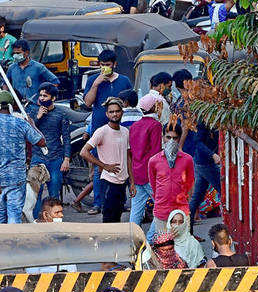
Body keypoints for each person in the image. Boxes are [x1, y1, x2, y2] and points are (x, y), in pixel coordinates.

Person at [0, 91, 45, 224]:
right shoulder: (21, 123)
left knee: (0, 213)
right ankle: (13, 242)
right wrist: (33, 124)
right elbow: (41, 142)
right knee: (14, 215)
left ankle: (0, 242)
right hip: (16, 178)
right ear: (12, 105)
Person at [83, 49, 133, 216]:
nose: (105, 68)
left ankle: (121, 201)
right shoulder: (93, 80)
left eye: (108, 65)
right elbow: (88, 103)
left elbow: (129, 102)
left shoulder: (124, 81)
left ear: (114, 65)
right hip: (100, 130)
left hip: (119, 129)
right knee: (99, 167)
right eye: (102, 65)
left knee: (122, 164)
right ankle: (99, 203)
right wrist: (97, 83)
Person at [81, 97, 134, 223]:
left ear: (122, 112)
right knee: (108, 219)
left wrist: (132, 182)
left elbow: (128, 157)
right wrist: (104, 165)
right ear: (107, 114)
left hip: (122, 182)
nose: (114, 114)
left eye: (117, 111)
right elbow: (84, 152)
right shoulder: (102, 131)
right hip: (108, 181)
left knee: (117, 217)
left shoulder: (125, 132)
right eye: (111, 112)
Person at [26, 83, 70, 208]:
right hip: (38, 158)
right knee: (35, 194)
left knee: (54, 194)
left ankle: (54, 222)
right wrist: (38, 117)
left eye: (45, 96)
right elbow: (29, 134)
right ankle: (36, 223)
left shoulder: (61, 114)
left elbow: (66, 138)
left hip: (55, 159)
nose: (42, 98)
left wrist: (66, 159)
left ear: (53, 98)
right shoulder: (33, 113)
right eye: (40, 95)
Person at [148, 122, 194, 238]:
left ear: (179, 139)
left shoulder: (187, 160)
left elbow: (190, 183)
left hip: (181, 210)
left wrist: (184, 200)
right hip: (161, 210)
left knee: (183, 247)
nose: (171, 141)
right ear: (163, 137)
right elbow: (154, 185)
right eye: (168, 137)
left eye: (175, 138)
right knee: (164, 247)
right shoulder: (154, 161)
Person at [128, 93, 162, 226]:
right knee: (162, 208)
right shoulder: (155, 125)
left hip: (137, 172)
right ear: (153, 107)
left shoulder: (135, 125)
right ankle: (152, 238)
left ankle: (133, 238)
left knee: (136, 209)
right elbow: (156, 152)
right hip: (150, 173)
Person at [188, 123, 220, 237]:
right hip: (206, 162)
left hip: (201, 161)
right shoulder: (204, 120)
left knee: (196, 197)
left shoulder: (207, 118)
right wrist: (212, 155)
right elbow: (198, 142)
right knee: (224, 194)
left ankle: (188, 233)